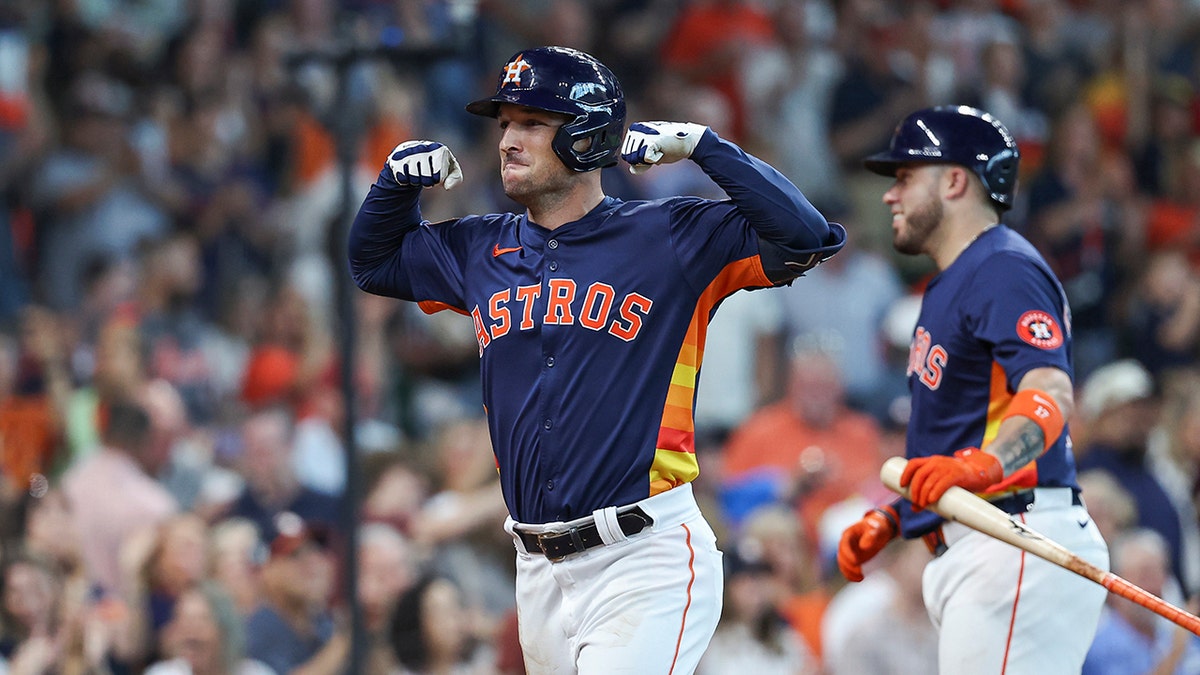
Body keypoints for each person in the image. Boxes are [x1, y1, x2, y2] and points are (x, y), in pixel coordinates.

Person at [348, 45, 845, 674]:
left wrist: (705, 147)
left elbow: (807, 234)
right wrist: (393, 186)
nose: (508, 140)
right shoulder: (478, 247)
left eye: (531, 122)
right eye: (504, 124)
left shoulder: (670, 236)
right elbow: (372, 263)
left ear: (586, 135)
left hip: (644, 554)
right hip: (536, 568)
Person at [835, 105, 1110, 673]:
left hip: (1013, 538)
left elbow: (1050, 389)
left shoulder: (1001, 266)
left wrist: (987, 465)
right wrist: (900, 515)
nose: (891, 195)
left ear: (955, 179)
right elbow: (958, 434)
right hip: (984, 544)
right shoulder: (953, 282)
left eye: (906, 177)